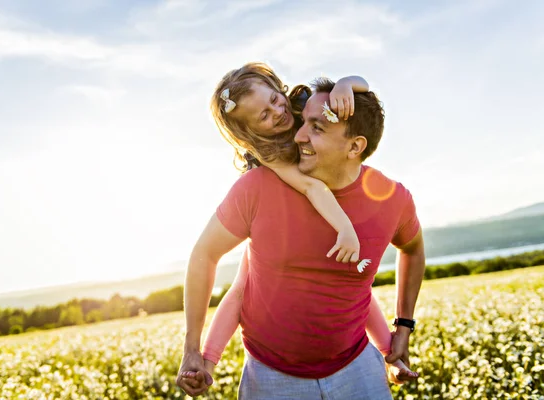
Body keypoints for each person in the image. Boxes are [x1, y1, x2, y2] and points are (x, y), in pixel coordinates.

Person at [177, 66, 425, 399]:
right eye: (264, 115)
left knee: (355, 276)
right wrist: (196, 353)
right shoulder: (262, 173)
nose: (287, 121)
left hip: (356, 364)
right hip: (272, 374)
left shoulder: (390, 196)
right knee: (245, 280)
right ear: (250, 132)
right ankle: (209, 359)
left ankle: (389, 354)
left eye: (276, 101)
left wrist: (401, 331)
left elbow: (393, 265)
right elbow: (309, 186)